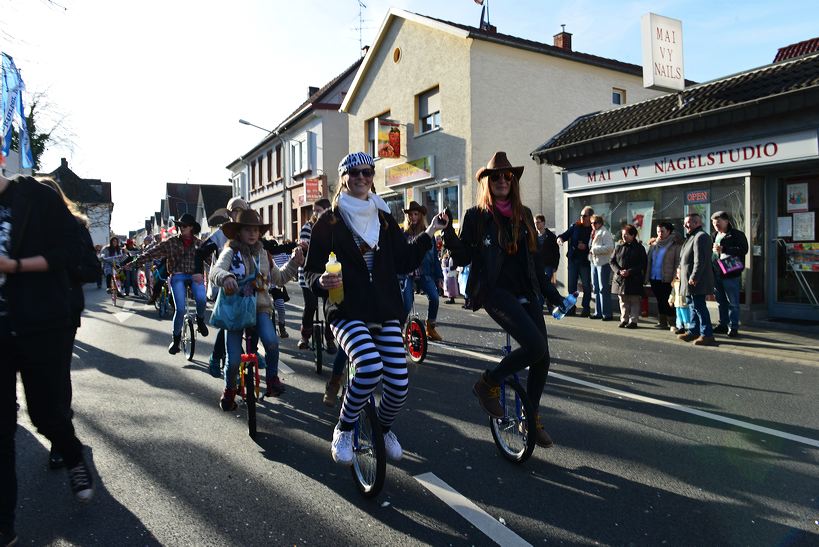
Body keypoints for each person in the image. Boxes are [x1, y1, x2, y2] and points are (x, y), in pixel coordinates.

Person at [304, 152, 444, 464]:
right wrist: (320, 282)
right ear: (344, 178)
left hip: (384, 309)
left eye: (367, 173)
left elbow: (405, 260)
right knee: (368, 366)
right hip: (346, 309)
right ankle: (345, 427)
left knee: (398, 382)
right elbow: (311, 271)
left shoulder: (382, 218)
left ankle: (382, 428)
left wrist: (430, 233)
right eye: (354, 173)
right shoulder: (328, 222)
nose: (362, 178)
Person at [1, 174, 95, 546]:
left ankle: (71, 454)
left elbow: (73, 253)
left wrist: (16, 266)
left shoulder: (35, 196)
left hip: (40, 323)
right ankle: (5, 524)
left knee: (45, 414)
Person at [442, 151, 554, 448]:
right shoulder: (476, 216)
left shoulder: (525, 214)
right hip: (493, 291)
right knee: (535, 346)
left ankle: (532, 418)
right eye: (496, 176)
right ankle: (488, 383)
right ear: (487, 182)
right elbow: (464, 255)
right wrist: (448, 235)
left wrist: (553, 295)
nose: (503, 180)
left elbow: (534, 260)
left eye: (508, 176)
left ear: (514, 181)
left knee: (543, 358)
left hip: (527, 291)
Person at [210, 209, 302, 408]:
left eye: (256, 230)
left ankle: (272, 380)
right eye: (247, 230)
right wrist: (225, 277)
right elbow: (216, 270)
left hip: (260, 308)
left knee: (271, 342)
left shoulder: (264, 253)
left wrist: (294, 262)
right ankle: (229, 390)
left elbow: (279, 278)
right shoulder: (230, 251)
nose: (252, 234)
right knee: (233, 359)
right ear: (238, 233)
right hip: (235, 310)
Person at [129, 213, 209, 354]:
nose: (180, 228)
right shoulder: (171, 242)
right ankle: (176, 341)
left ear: (191, 227)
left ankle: (200, 319)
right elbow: (151, 253)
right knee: (180, 309)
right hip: (177, 276)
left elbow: (211, 261)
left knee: (202, 299)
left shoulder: (199, 244)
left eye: (184, 226)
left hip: (195, 277)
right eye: (179, 225)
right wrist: (133, 263)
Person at [197, 197, 250, 377]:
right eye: (235, 211)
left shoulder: (248, 230)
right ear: (229, 214)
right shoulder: (221, 233)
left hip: (245, 284)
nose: (238, 215)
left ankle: (251, 352)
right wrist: (198, 269)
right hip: (224, 284)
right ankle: (215, 356)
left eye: (241, 211)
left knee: (255, 314)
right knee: (228, 325)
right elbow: (203, 250)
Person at [401, 201, 444, 341]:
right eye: (410, 214)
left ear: (420, 216)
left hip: (424, 273)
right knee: (406, 304)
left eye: (416, 214)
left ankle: (430, 328)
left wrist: (439, 277)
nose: (413, 217)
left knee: (435, 297)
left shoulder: (428, 233)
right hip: (407, 274)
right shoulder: (403, 234)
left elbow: (435, 259)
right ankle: (399, 329)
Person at [297, 199, 336, 353]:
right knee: (311, 305)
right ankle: (305, 336)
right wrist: (304, 247)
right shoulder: (308, 227)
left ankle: (330, 339)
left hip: (328, 272)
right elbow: (304, 244)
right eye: (314, 210)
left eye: (318, 210)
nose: (314, 214)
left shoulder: (333, 227)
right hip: (309, 274)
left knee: (331, 307)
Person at [678, 213, 717, 346]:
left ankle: (707, 335)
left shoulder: (701, 237)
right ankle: (694, 331)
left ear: (696, 223)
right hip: (689, 279)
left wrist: (694, 276)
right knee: (692, 306)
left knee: (699, 307)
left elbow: (700, 260)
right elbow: (685, 258)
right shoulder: (691, 237)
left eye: (688, 222)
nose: (685, 225)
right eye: (685, 222)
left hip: (696, 280)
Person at [710, 211, 748, 338]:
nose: (716, 226)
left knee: (733, 302)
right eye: (714, 224)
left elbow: (744, 250)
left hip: (731, 272)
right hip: (717, 272)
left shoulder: (736, 234)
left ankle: (734, 327)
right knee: (721, 301)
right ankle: (723, 324)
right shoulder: (714, 235)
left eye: (719, 223)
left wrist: (724, 249)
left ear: (726, 221)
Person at [557, 206, 594, 316]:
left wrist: (586, 247)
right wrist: (560, 239)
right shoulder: (575, 226)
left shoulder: (593, 229)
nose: (582, 217)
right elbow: (564, 235)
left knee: (586, 286)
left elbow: (596, 246)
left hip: (585, 262)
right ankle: (571, 308)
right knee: (571, 286)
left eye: (585, 215)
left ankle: (586, 308)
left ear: (590, 217)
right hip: (573, 260)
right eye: (581, 215)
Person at [645, 222, 682, 329]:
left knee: (669, 300)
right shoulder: (654, 245)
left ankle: (673, 323)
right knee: (660, 300)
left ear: (669, 231)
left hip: (667, 278)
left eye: (662, 231)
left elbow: (677, 263)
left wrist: (675, 277)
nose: (659, 234)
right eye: (658, 231)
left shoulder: (675, 245)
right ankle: (662, 322)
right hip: (654, 277)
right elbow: (649, 261)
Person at [610, 224, 647, 328]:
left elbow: (643, 264)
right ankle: (624, 319)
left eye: (626, 235)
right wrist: (618, 271)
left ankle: (633, 321)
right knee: (623, 300)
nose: (624, 237)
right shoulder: (619, 247)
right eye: (623, 235)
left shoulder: (640, 248)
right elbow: (612, 261)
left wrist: (630, 271)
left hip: (634, 278)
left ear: (633, 235)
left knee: (634, 300)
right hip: (620, 279)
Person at [588, 215, 614, 321]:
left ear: (600, 223)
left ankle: (606, 313)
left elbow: (610, 247)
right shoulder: (593, 232)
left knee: (603, 289)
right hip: (594, 262)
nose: (593, 225)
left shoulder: (605, 233)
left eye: (595, 223)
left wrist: (594, 249)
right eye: (591, 223)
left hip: (603, 263)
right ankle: (598, 312)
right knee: (596, 288)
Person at [535, 214, 560, 285]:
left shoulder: (551, 237)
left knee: (546, 284)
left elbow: (556, 253)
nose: (536, 224)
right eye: (535, 223)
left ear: (543, 223)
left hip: (548, 265)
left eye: (538, 222)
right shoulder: (533, 236)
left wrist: (555, 266)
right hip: (536, 265)